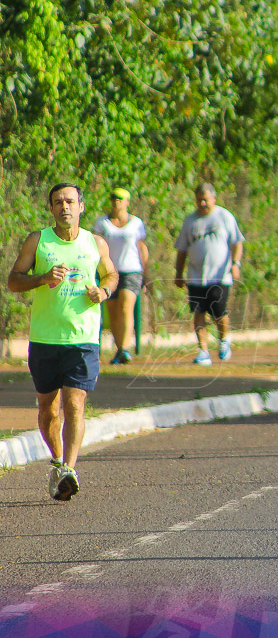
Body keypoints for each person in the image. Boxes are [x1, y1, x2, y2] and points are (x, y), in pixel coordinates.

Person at [8, 183, 118, 500]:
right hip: (44, 339)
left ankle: (69, 468)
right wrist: (42, 278)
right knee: (48, 410)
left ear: (81, 206)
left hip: (83, 338)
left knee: (74, 404)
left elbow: (111, 274)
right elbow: (13, 281)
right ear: (51, 208)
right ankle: (57, 461)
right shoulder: (38, 241)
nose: (65, 207)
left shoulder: (95, 242)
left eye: (70, 201)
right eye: (58, 202)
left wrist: (104, 291)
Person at [174, 183, 245, 365]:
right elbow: (182, 249)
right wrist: (178, 273)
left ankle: (223, 340)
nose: (203, 203)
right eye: (199, 199)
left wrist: (235, 263)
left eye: (206, 199)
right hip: (196, 275)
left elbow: (237, 242)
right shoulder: (190, 221)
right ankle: (203, 351)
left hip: (220, 275)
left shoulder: (224, 216)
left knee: (218, 312)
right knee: (198, 311)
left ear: (214, 198)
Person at [93, 187, 150, 364]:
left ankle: (125, 348)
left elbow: (142, 248)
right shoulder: (102, 223)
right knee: (114, 311)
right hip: (109, 272)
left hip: (132, 270)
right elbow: (95, 246)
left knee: (126, 306)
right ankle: (119, 350)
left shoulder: (136, 223)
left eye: (120, 199)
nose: (116, 202)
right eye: (113, 198)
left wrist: (146, 273)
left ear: (127, 202)